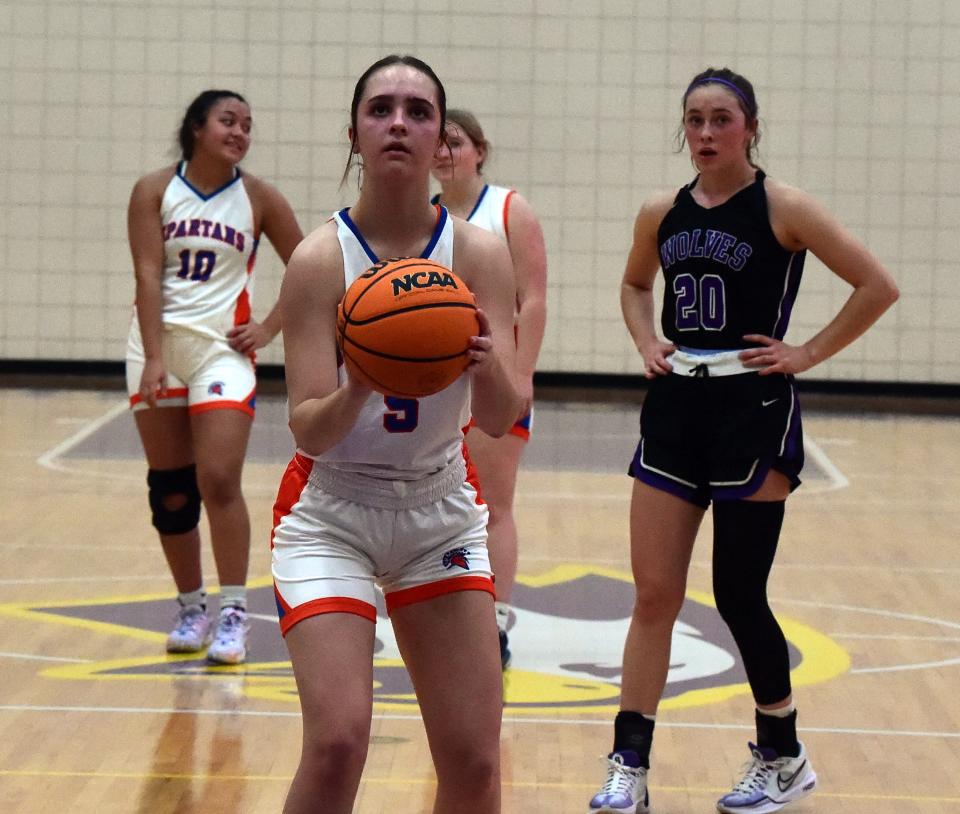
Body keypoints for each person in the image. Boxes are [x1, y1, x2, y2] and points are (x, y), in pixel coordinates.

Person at [587, 67, 899, 814]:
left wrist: (805, 354)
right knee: (655, 593)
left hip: (753, 408)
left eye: (720, 119)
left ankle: (782, 754)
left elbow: (877, 285)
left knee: (737, 592)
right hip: (674, 408)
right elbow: (634, 286)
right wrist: (645, 340)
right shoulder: (658, 211)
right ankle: (629, 765)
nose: (704, 133)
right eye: (693, 120)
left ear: (750, 127)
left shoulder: (783, 206)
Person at [271, 55, 521, 814]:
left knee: (475, 763)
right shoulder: (320, 261)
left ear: (441, 139)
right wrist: (359, 386)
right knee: (339, 740)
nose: (399, 123)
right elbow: (308, 428)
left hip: (437, 505)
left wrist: (483, 364)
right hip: (329, 512)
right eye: (381, 109)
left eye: (418, 111)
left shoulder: (477, 254)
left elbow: (506, 415)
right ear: (354, 134)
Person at [125, 89, 303, 664]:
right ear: (197, 127)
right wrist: (154, 357)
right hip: (156, 346)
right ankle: (189, 607)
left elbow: (308, 267)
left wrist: (271, 327)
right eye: (229, 121)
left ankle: (232, 613)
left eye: (248, 125)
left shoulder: (259, 198)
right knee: (171, 492)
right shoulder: (154, 190)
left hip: (222, 352)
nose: (240, 132)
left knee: (219, 478)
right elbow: (148, 277)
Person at [430, 108, 548, 669]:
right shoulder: (422, 217)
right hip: (436, 383)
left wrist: (521, 372)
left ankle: (496, 622)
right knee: (444, 503)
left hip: (495, 378)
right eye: (439, 143)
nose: (444, 152)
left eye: (455, 142)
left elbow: (535, 298)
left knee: (492, 504)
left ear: (480, 149)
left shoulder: (508, 208)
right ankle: (450, 613)